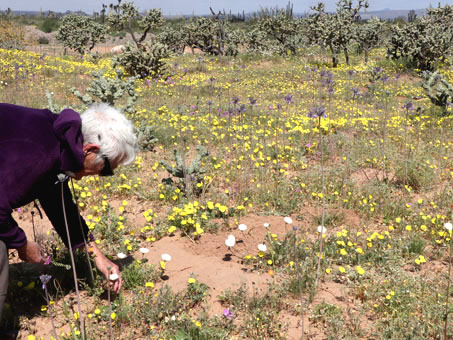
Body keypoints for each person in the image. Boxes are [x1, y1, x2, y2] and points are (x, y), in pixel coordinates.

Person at [0, 102, 138, 324]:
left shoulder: (60, 140)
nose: (102, 176)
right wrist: (22, 244)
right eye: (107, 169)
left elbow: (59, 204)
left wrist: (98, 256)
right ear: (90, 150)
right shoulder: (40, 153)